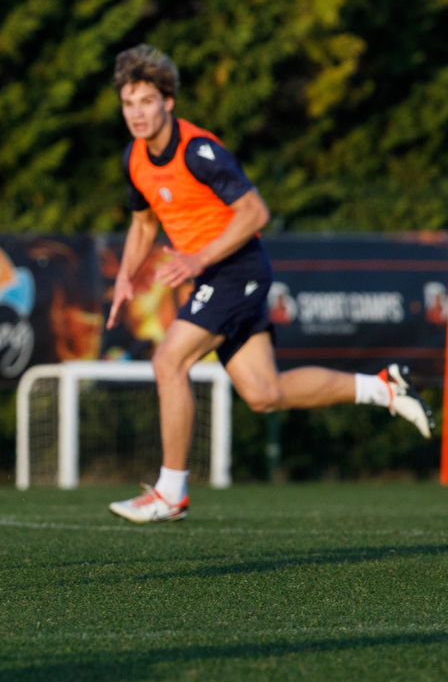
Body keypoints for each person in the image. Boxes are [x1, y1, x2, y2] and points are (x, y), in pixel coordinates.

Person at [105, 44, 433, 523]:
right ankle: (383, 388)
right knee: (264, 393)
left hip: (236, 270)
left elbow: (256, 212)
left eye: (146, 101)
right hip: (219, 274)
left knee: (168, 360)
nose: (137, 113)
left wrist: (198, 259)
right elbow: (142, 225)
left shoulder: (200, 151)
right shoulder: (134, 157)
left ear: (168, 102)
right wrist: (123, 279)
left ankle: (170, 491)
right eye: (128, 103)